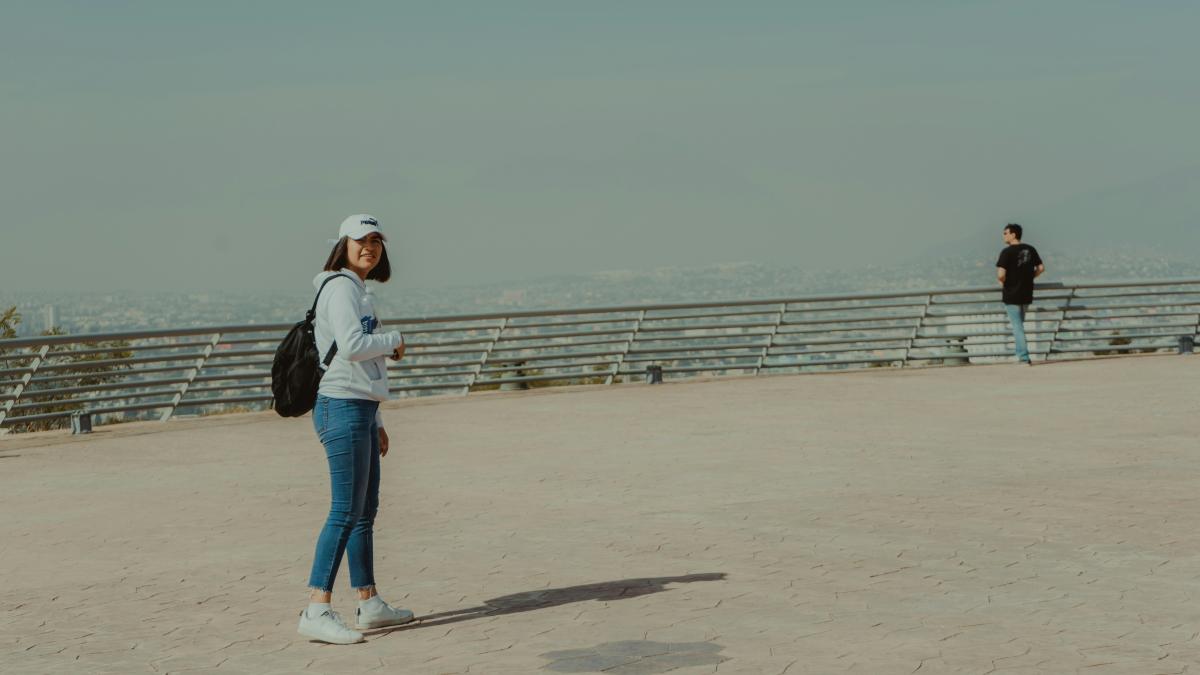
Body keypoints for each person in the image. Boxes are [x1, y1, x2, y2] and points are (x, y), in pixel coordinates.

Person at [297, 214, 414, 644]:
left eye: (377, 241)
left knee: (365, 511)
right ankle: (316, 608)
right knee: (345, 511)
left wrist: (378, 419)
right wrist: (395, 339)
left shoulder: (358, 290)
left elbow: (363, 361)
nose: (371, 247)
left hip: (360, 408)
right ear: (343, 245)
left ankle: (369, 602)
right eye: (361, 240)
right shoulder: (341, 287)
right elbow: (352, 347)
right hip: (341, 407)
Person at [995, 223, 1045, 365]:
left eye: (1005, 233)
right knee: (1020, 325)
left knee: (1017, 327)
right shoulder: (1030, 249)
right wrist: (1030, 277)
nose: (1003, 236)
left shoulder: (1006, 252)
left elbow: (1000, 275)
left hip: (1011, 294)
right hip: (1026, 293)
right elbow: (1041, 268)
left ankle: (1023, 357)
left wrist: (1005, 281)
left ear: (1013, 234)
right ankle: (1021, 355)